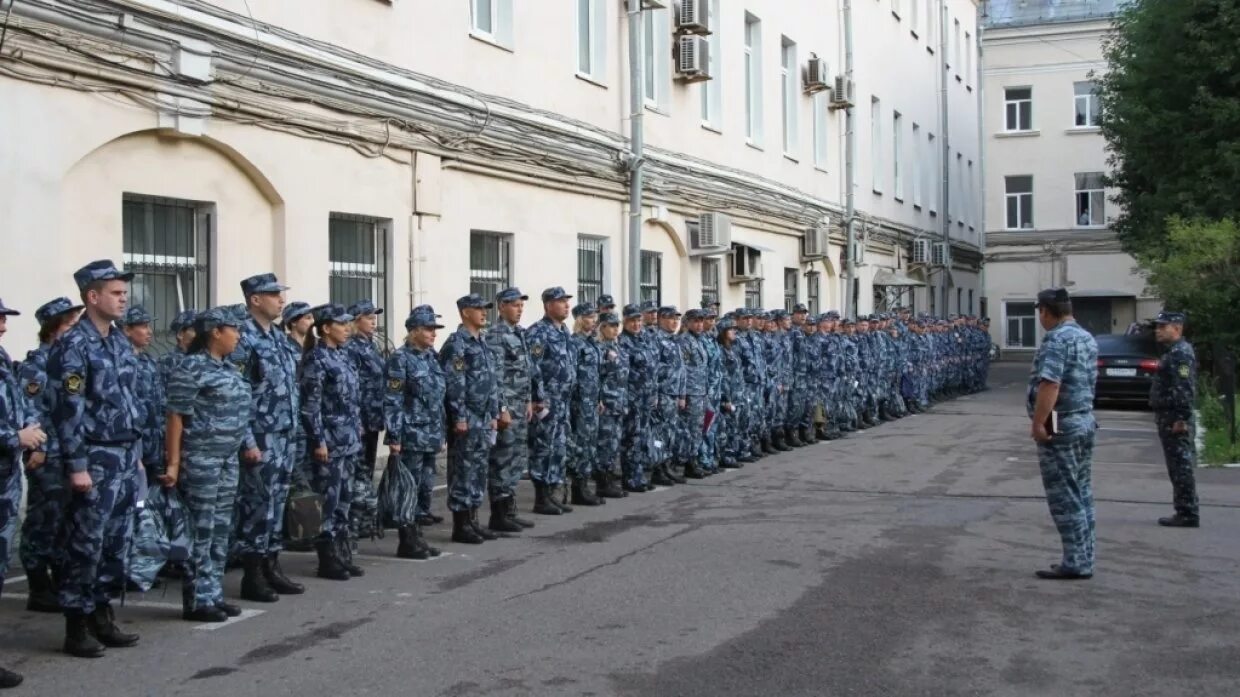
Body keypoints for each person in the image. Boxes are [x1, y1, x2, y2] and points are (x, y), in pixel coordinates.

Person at [48, 260, 142, 657]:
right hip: (94, 456)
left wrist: (136, 455)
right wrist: (78, 466)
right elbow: (68, 410)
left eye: (124, 293)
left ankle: (102, 614)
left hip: (122, 453)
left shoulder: (119, 341)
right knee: (85, 543)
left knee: (116, 542)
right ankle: (77, 623)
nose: (124, 300)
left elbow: (130, 400)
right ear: (92, 297)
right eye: (116, 294)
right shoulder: (73, 346)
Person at [164, 307, 250, 622]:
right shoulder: (191, 367)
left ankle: (213, 593)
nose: (238, 335)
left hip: (227, 459)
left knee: (220, 529)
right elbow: (175, 415)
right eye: (233, 329)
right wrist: (173, 463)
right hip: (201, 459)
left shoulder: (229, 368)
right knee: (201, 528)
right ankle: (197, 599)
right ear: (216, 331)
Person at [232, 274, 305, 602]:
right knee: (257, 505)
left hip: (284, 435)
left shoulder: (277, 336)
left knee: (276, 504)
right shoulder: (243, 339)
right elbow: (239, 393)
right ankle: (253, 574)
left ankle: (272, 565)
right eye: (274, 295)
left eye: (280, 294)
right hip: (261, 436)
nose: (281, 300)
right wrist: (247, 441)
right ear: (255, 299)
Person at [1028, 288, 1098, 581]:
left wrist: (1039, 422)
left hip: (1062, 424)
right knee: (1081, 492)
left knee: (1065, 496)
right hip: (1083, 420)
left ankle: (1075, 561)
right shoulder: (1086, 336)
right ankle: (1084, 555)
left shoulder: (1057, 339)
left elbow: (1050, 384)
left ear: (1046, 310)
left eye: (1040, 312)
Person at [18, 297, 82, 613]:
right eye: (69, 324)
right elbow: (31, 411)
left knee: (64, 521)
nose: (75, 330)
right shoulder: (37, 364)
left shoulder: (68, 361)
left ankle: (58, 580)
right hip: (47, 457)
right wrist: (39, 448)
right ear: (53, 329)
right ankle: (38, 586)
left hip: (69, 455)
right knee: (42, 521)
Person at [1, 296, 47, 686]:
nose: (3, 325)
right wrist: (13, 436)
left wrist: (28, 428)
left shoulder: (2, 358)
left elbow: (21, 404)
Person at [300, 303, 363, 580]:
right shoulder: (317, 360)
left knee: (344, 499)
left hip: (348, 440)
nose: (348, 329)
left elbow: (351, 399)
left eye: (349, 323)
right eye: (342, 324)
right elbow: (310, 406)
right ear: (326, 328)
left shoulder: (344, 356)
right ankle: (326, 558)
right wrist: (318, 441)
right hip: (329, 442)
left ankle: (341, 552)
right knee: (328, 499)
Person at [382, 305, 446, 559]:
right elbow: (393, 399)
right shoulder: (400, 359)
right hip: (411, 435)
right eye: (429, 329)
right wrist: (394, 437)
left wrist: (441, 433)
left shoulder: (432, 357)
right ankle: (406, 540)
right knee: (408, 488)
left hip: (430, 434)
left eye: (434, 329)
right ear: (414, 331)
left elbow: (438, 398)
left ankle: (418, 536)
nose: (433, 334)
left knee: (425, 487)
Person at [439, 294, 502, 543]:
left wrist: (494, 413)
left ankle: (474, 519)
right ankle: (461, 524)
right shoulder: (457, 344)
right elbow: (455, 384)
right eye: (479, 309)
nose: (484, 313)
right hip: (467, 418)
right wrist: (460, 417)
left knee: (478, 469)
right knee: (463, 470)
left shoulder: (481, 342)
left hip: (483, 417)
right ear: (465, 312)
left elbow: (491, 381)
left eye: (485, 308)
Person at [485, 287, 540, 529]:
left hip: (520, 406)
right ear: (502, 307)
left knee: (516, 458)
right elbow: (495, 376)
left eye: (521, 305)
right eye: (514, 305)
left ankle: (509, 508)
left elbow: (525, 372)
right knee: (502, 459)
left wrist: (528, 400)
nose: (519, 309)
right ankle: (498, 514)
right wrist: (502, 408)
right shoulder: (496, 335)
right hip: (507, 408)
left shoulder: (519, 333)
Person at [526, 287, 577, 513]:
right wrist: (537, 398)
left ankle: (552, 492)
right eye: (561, 302)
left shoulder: (564, 330)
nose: (566, 305)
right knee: (543, 447)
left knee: (558, 447)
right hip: (546, 402)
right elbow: (532, 367)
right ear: (548, 305)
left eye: (567, 302)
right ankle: (541, 497)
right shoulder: (538, 332)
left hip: (563, 400)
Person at [1150, 311, 1199, 528]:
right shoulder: (1173, 352)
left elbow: (1184, 388)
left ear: (1177, 328)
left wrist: (1181, 418)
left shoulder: (1180, 354)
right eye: (1157, 326)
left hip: (1175, 418)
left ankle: (1187, 512)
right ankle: (1184, 509)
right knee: (1177, 466)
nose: (1157, 330)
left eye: (1163, 326)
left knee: (1181, 466)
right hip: (1168, 416)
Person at [345, 300, 386, 540]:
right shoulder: (351, 347)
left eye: (374, 317)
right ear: (355, 320)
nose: (374, 321)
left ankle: (363, 519)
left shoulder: (370, 346)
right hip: (359, 420)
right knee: (358, 473)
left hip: (372, 418)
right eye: (368, 317)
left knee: (367, 470)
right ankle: (355, 521)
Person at [121, 307, 165, 505]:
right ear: (127, 330)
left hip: (153, 444)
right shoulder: (119, 361)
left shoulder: (148, 361)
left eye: (149, 326)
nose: (150, 332)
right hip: (132, 445)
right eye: (144, 326)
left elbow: (160, 402)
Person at [568, 302, 604, 505]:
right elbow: (573, 375)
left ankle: (584, 485)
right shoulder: (575, 343)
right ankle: (578, 487)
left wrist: (598, 398)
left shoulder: (592, 343)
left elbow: (595, 375)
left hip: (591, 401)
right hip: (579, 402)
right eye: (590, 317)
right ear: (581, 319)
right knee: (580, 444)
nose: (594, 321)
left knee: (590, 443)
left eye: (595, 317)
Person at [619, 304, 656, 493]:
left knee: (642, 437)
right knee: (631, 439)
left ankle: (640, 474)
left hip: (645, 397)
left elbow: (652, 370)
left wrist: (653, 393)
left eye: (639, 320)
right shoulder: (622, 342)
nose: (636, 324)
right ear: (625, 321)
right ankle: (631, 477)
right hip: (632, 398)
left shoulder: (644, 340)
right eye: (632, 321)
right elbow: (623, 374)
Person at [593, 311, 628, 498]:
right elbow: (597, 376)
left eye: (617, 326)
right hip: (606, 402)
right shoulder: (599, 348)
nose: (616, 330)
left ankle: (610, 478)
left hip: (618, 401)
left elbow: (623, 377)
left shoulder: (618, 347)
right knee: (605, 442)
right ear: (603, 327)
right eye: (612, 326)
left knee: (614, 442)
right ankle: (602, 481)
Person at [158, 310, 198, 389]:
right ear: (180, 334)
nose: (199, 334)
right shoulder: (168, 361)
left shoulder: (202, 358)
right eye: (195, 330)